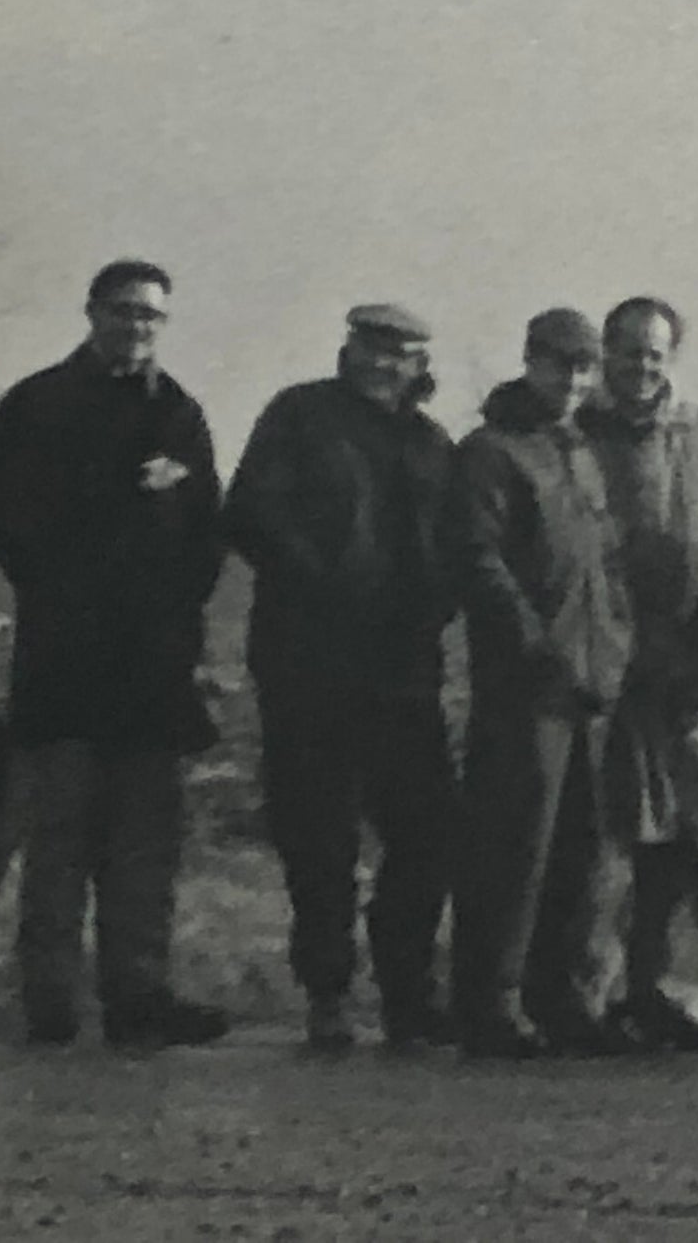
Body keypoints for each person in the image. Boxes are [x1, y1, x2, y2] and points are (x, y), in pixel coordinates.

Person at [0, 259, 228, 1050]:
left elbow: (206, 527)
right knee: (61, 838)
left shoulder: (180, 413)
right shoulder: (36, 405)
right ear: (90, 312)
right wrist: (61, 569)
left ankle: (138, 997)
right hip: (65, 657)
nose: (136, 327)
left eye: (151, 316)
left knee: (144, 845)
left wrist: (180, 608)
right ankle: (49, 1000)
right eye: (122, 311)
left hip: (152, 667)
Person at [223, 304, 457, 1052]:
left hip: (404, 665)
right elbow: (252, 513)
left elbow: (458, 542)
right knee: (319, 838)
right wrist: (324, 585)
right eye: (373, 348)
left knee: (425, 834)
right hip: (308, 657)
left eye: (403, 354)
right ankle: (328, 994)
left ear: (421, 366)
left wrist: (432, 607)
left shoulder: (432, 444)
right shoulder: (298, 415)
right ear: (348, 348)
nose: (385, 365)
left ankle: (406, 993)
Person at [580, 296, 698, 1050]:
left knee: (692, 832)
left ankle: (673, 998)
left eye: (655, 353)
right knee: (597, 836)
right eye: (627, 350)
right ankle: (585, 998)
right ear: (605, 353)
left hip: (689, 668)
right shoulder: (573, 436)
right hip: (599, 665)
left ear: (671, 361)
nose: (640, 365)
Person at [450, 308, 634, 1058]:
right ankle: (488, 1004)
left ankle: (563, 1002)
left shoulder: (582, 451)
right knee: (512, 847)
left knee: (581, 850)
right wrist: (536, 652)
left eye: (585, 367)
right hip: (526, 686)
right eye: (560, 364)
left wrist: (614, 655)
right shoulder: (490, 452)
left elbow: (605, 566)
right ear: (529, 360)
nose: (573, 380)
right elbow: (479, 562)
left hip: (592, 686)